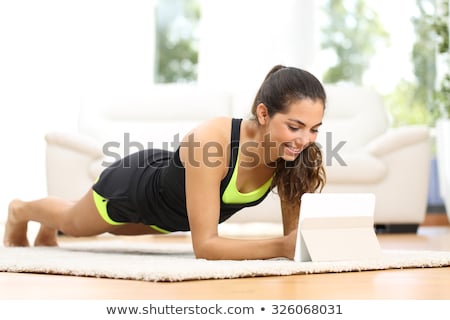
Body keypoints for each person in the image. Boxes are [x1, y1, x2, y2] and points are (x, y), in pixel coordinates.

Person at [3, 65, 326, 260]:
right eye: (295, 127)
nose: (305, 140)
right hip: (135, 187)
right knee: (77, 224)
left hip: (168, 215)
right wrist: (280, 247)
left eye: (314, 129)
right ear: (263, 114)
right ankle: (21, 210)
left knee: (104, 228)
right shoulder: (210, 141)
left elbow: (293, 239)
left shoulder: (294, 153)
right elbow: (207, 246)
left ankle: (50, 221)